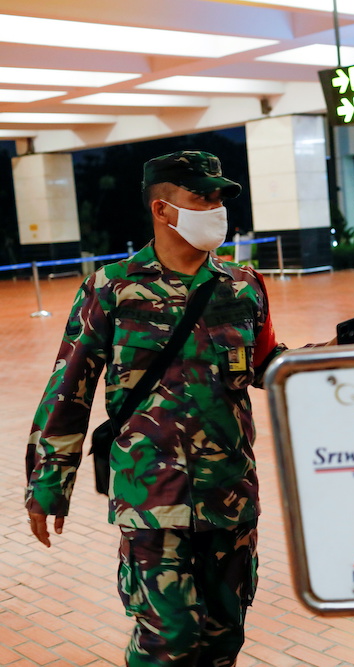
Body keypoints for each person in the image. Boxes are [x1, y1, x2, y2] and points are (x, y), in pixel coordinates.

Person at [25, 151, 288, 666]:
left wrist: (331, 360)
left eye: (219, 198)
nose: (216, 208)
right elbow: (69, 389)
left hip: (229, 493)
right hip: (151, 494)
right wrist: (48, 486)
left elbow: (265, 365)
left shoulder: (243, 285)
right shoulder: (113, 287)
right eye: (202, 197)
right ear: (162, 209)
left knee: (224, 638)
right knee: (168, 641)